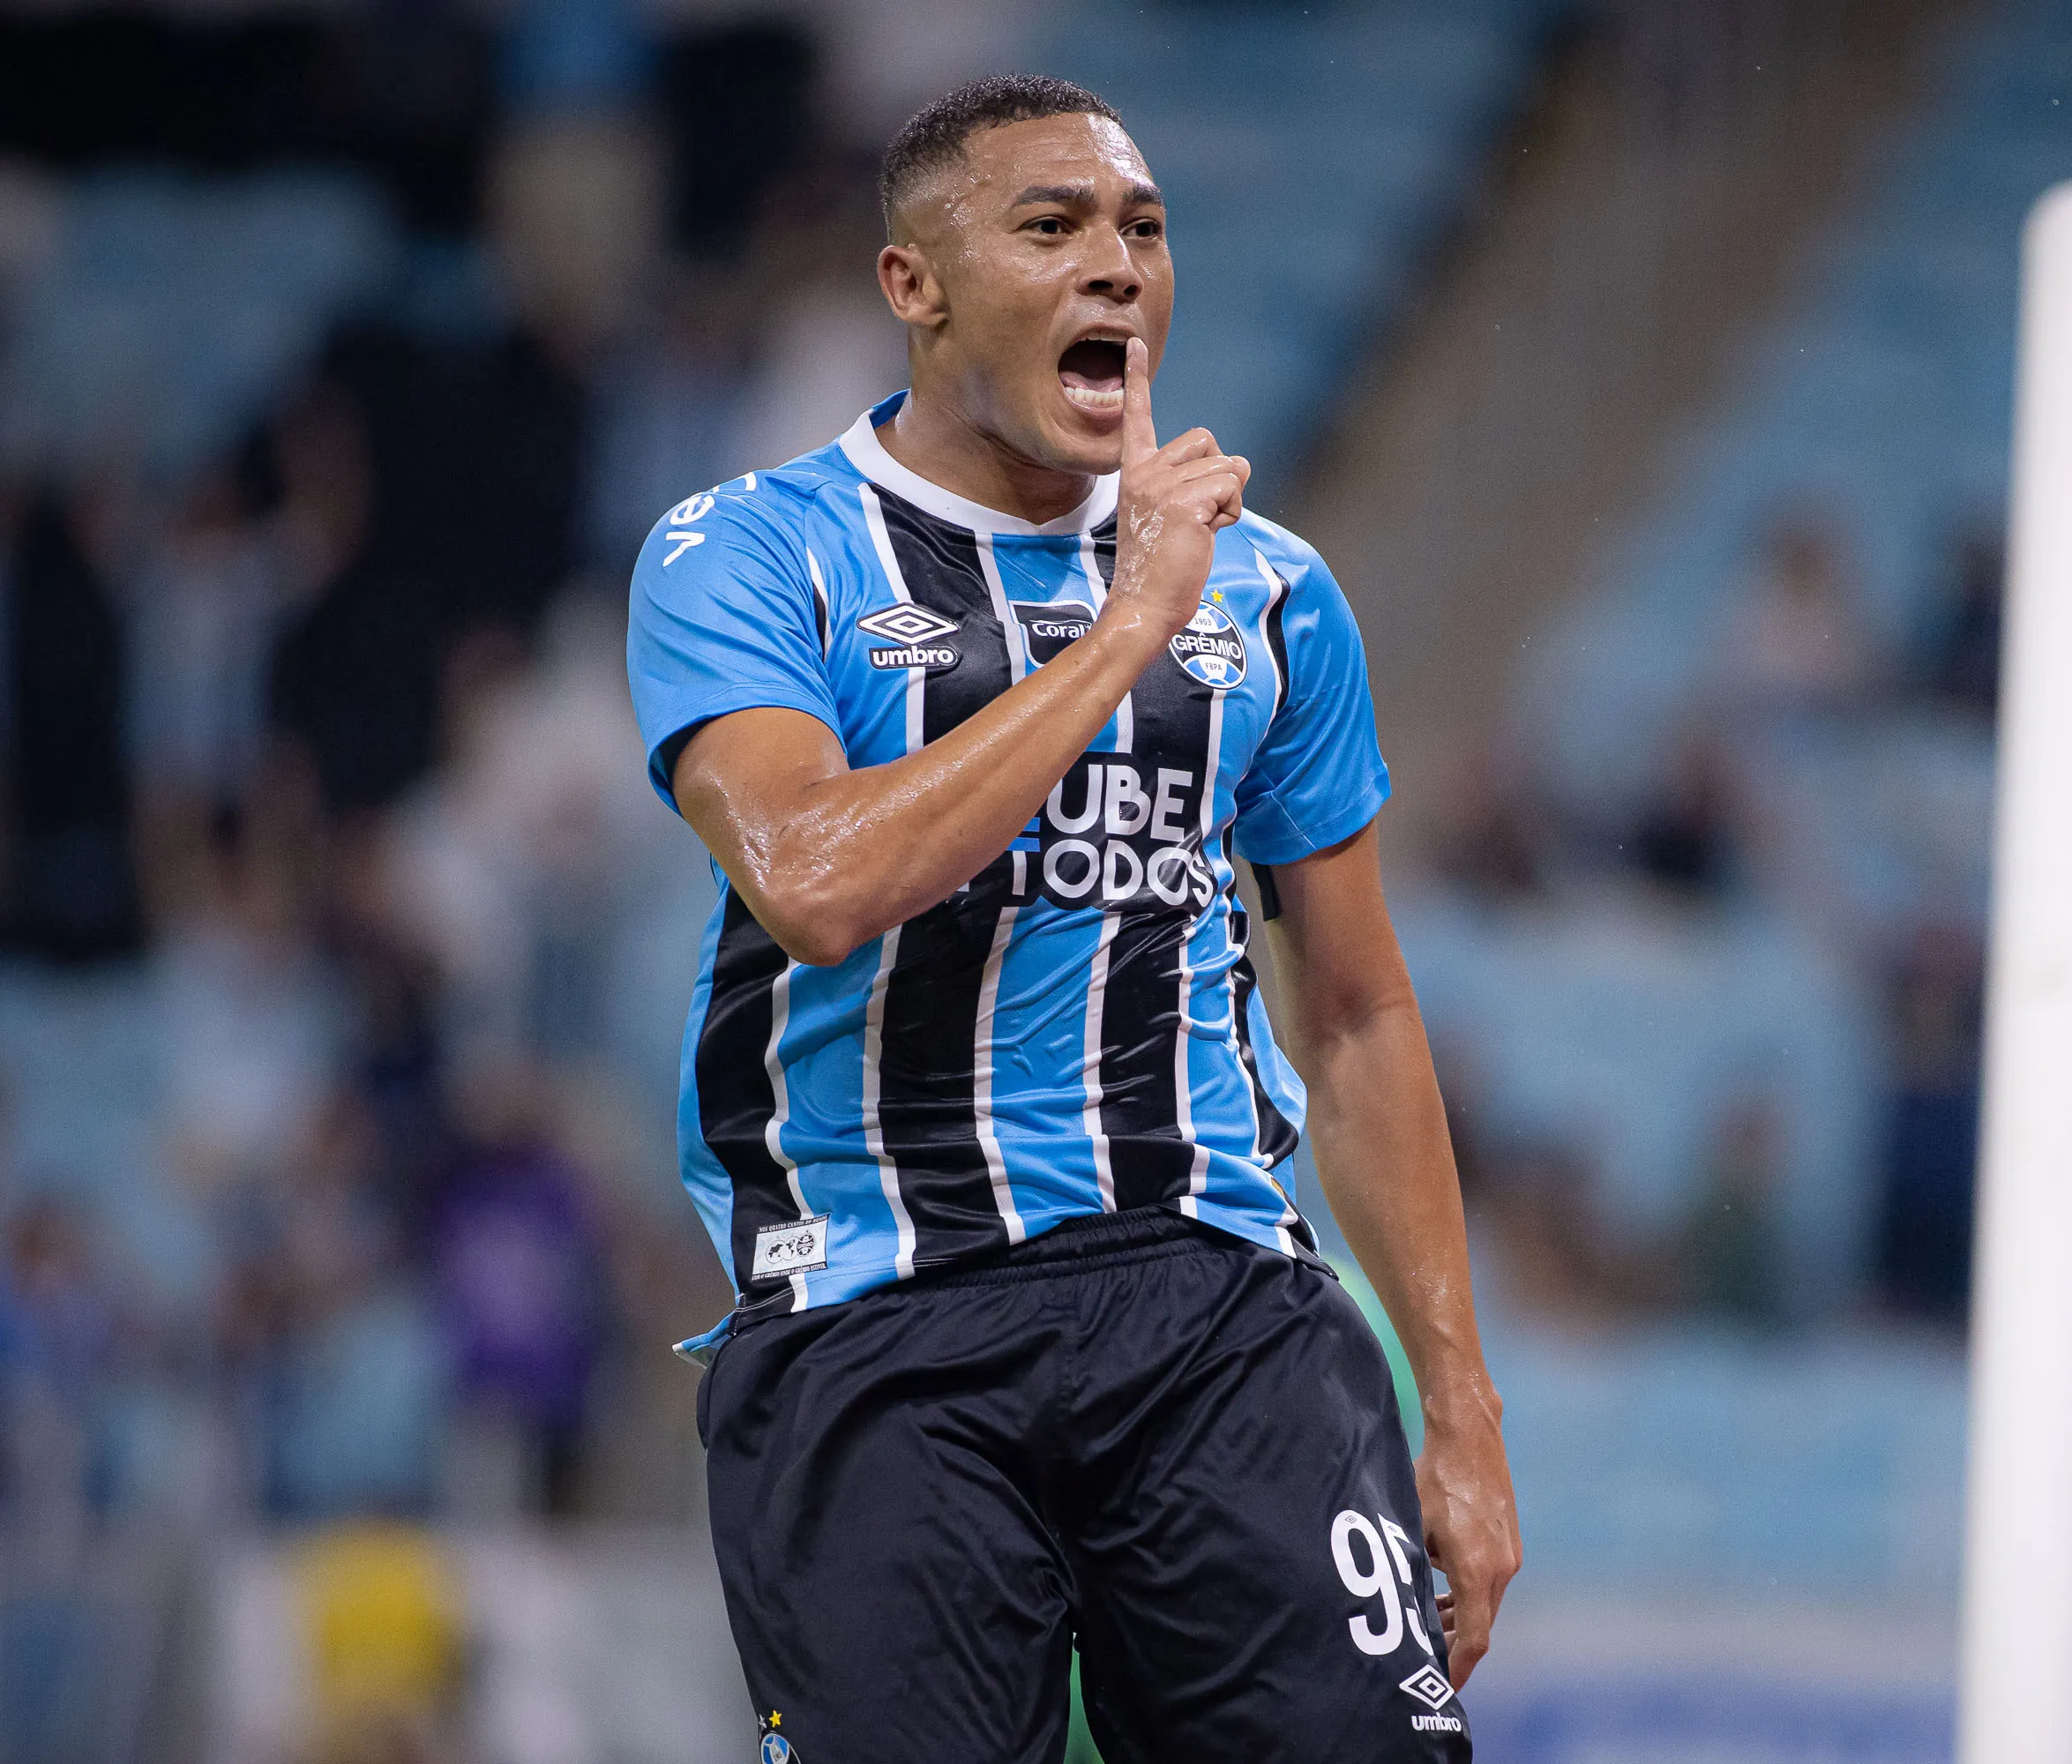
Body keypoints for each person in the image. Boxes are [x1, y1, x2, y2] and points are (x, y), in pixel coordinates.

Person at [625, 75, 1517, 1763]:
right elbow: (813, 882)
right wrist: (1121, 635)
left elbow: (1356, 1012)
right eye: (1053, 226)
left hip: (1216, 1300)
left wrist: (1460, 1409)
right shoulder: (746, 553)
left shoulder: (1271, 589)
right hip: (877, 1315)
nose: (1117, 264)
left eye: (1143, 228)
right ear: (915, 285)